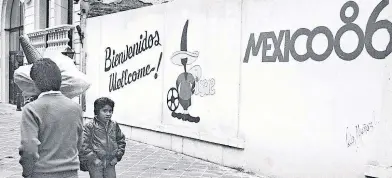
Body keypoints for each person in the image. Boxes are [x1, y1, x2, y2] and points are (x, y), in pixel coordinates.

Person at [18, 58, 84, 178]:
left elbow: (29, 148)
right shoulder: (76, 108)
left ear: (34, 83)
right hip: (70, 173)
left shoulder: (31, 109)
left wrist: (27, 172)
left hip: (42, 173)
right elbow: (79, 143)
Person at [80, 97, 126, 178]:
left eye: (110, 111)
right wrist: (94, 159)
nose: (108, 114)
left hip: (110, 162)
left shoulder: (114, 125)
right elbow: (83, 145)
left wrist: (117, 156)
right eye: (104, 111)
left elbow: (121, 141)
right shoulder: (90, 126)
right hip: (96, 164)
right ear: (97, 111)